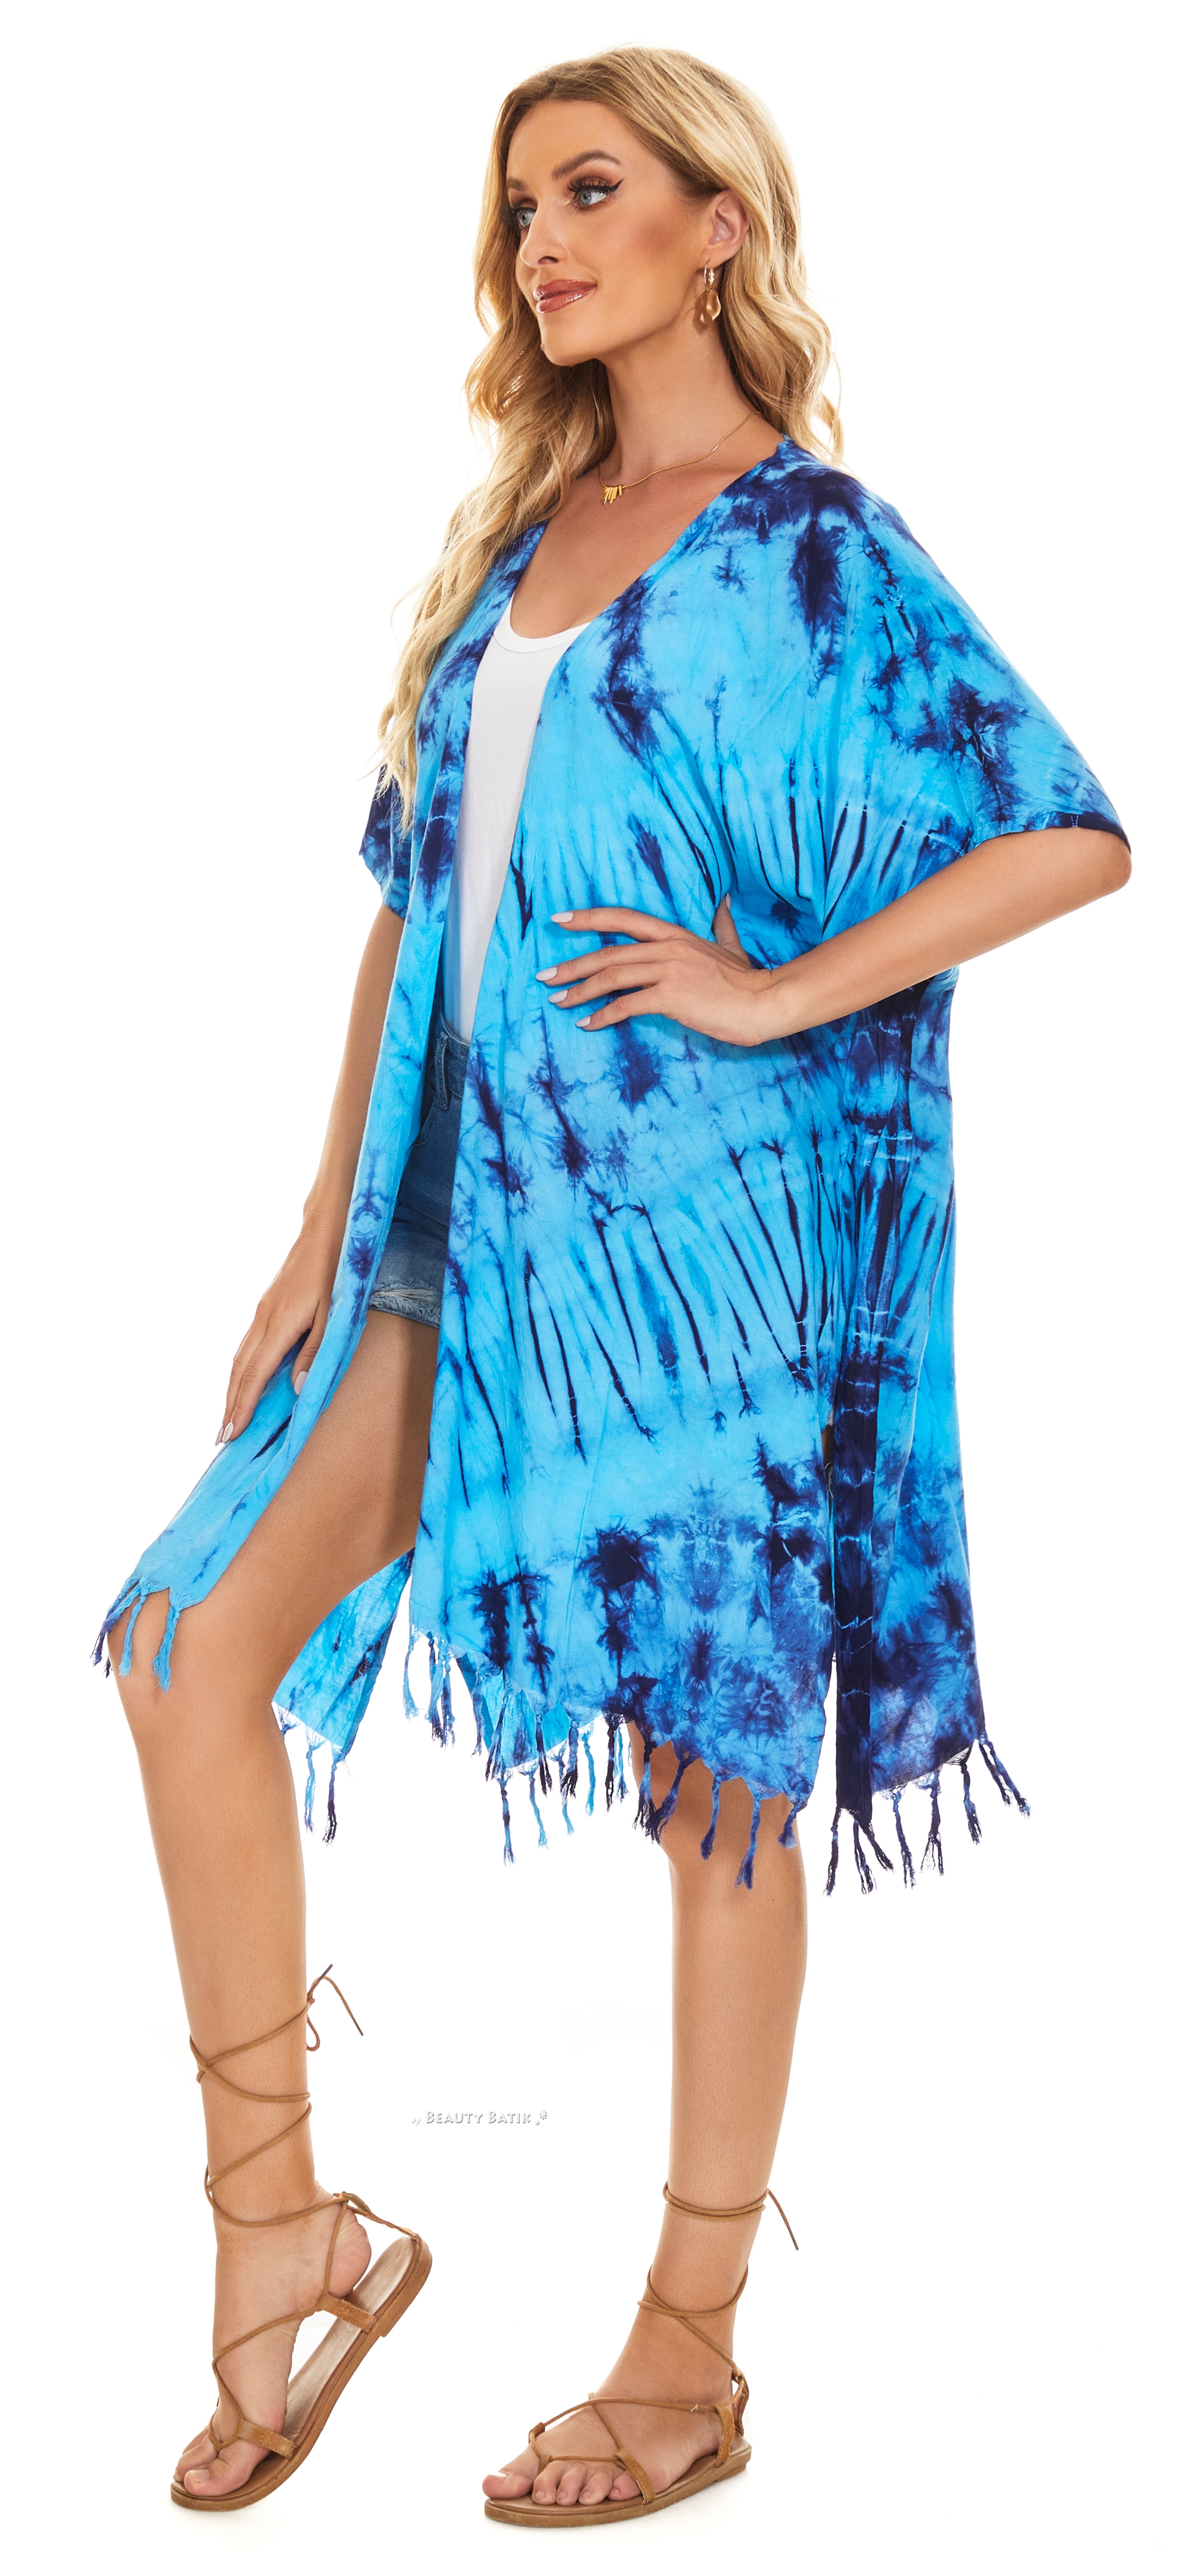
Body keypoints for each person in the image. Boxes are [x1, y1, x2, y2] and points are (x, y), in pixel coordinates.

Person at [100, 44, 1130, 2528]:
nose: (543, 242)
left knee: (712, 1788)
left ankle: (687, 2354)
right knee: (185, 1649)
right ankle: (287, 2240)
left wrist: (774, 995)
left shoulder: (815, 547)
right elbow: (409, 910)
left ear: (713, 225)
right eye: (522, 209)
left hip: (694, 1265)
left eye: (588, 192)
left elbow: (1066, 832)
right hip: (445, 1232)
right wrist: (308, 1237)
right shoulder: (525, 540)